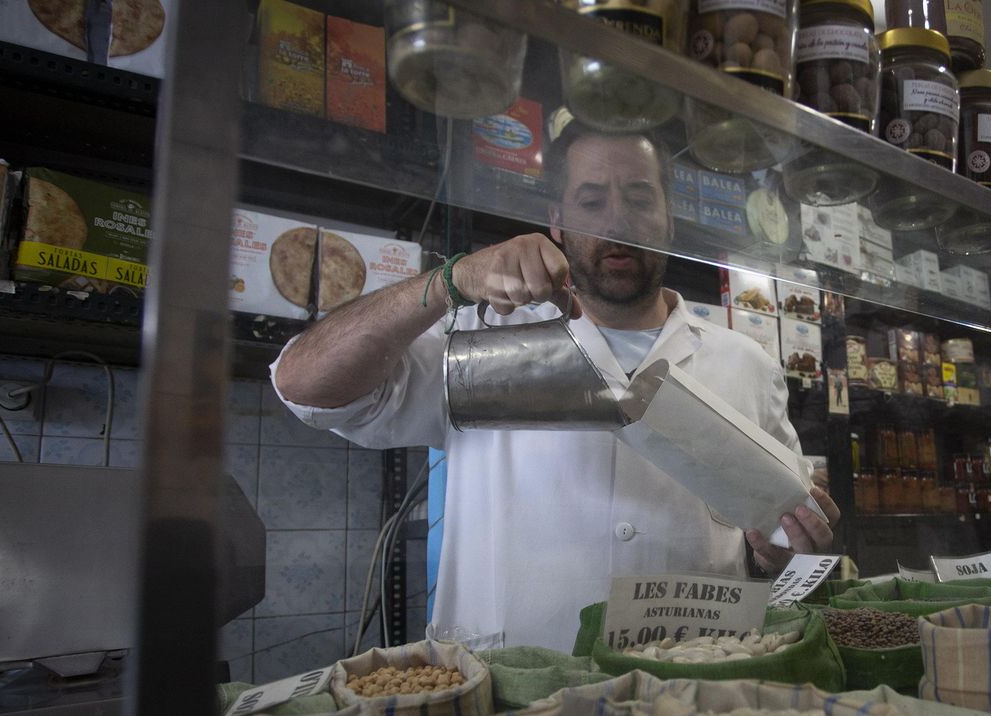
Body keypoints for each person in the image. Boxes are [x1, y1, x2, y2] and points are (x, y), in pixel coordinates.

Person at [271, 124, 839, 651]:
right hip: (510, 701)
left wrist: (779, 560)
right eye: (592, 201)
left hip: (688, 695)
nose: (617, 221)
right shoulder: (477, 334)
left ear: (669, 220)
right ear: (558, 221)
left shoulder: (746, 363)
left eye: (640, 199)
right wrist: (452, 280)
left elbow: (780, 543)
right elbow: (304, 386)